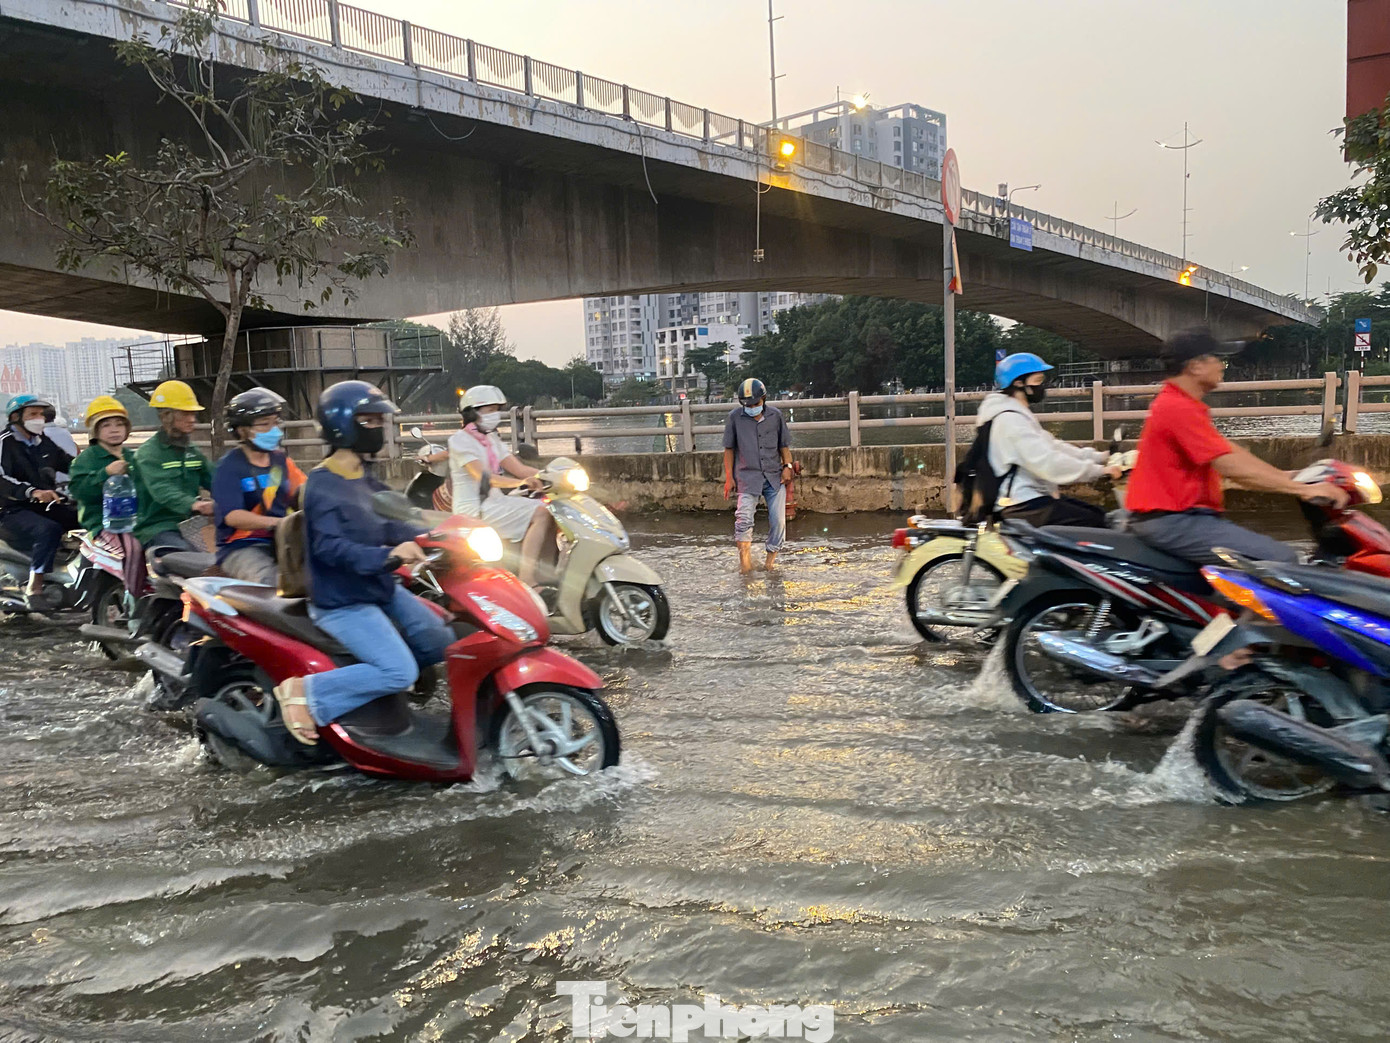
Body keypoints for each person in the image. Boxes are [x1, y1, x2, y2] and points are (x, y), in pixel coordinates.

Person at [271, 380, 453, 746]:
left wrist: (438, 531)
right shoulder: (321, 485)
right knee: (398, 670)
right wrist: (388, 555)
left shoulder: (363, 476)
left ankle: (381, 693)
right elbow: (330, 549)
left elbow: (389, 519)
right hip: (343, 601)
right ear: (344, 426)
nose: (378, 429)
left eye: (378, 421)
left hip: (377, 587)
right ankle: (306, 692)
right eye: (369, 421)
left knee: (441, 638)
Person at [1126, 328, 1349, 565]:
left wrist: (1287, 476)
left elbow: (1230, 453)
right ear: (1195, 366)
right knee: (1281, 560)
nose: (1222, 365)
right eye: (1217, 358)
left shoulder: (1181, 404)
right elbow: (1232, 467)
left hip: (1183, 519)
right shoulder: (1177, 408)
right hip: (1176, 521)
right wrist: (1303, 490)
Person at [975, 353, 1123, 527]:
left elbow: (1052, 445)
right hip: (1020, 503)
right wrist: (1099, 471)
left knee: (1099, 515)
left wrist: (1099, 457)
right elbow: (1048, 462)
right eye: (1038, 381)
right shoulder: (1010, 421)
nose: (1043, 386)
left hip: (1028, 497)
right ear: (1019, 383)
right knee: (1097, 523)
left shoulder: (1015, 414)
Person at [446, 385, 553, 584]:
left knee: (553, 509)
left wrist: (552, 475)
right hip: (473, 510)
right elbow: (483, 477)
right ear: (473, 413)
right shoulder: (459, 441)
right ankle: (529, 579)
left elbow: (519, 468)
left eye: (497, 410)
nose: (496, 415)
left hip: (495, 502)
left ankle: (549, 574)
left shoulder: (491, 439)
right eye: (490, 410)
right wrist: (521, 482)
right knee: (541, 513)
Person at [211, 388, 306, 586]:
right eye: (264, 424)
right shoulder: (229, 467)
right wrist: (276, 523)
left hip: (285, 540)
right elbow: (233, 516)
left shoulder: (281, 461)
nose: (273, 430)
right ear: (241, 430)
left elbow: (305, 491)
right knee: (269, 582)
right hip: (242, 546)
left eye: (275, 423)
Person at [0, 393, 78, 603]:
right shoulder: (5, 443)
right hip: (11, 510)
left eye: (41, 415)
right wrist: (32, 492)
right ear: (16, 417)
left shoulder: (42, 441)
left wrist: (99, 469)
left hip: (46, 504)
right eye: (33, 414)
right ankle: (35, 587)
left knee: (87, 517)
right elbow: (1, 479)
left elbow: (71, 464)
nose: (39, 419)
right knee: (48, 530)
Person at [67, 395, 146, 595]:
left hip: (136, 520)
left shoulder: (133, 457)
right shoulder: (86, 459)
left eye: (119, 424)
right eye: (106, 425)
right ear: (95, 430)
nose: (114, 430)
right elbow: (79, 491)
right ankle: (133, 600)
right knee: (134, 548)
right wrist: (106, 473)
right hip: (103, 524)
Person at [131, 380, 215, 554]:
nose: (192, 419)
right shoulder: (148, 454)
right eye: (185, 414)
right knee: (189, 559)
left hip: (192, 524)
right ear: (167, 416)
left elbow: (215, 480)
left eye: (193, 414)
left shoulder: (192, 451)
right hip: (158, 527)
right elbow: (162, 490)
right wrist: (195, 504)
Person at [722, 378, 793, 574]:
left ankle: (770, 562)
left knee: (778, 521)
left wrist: (787, 466)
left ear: (763, 399)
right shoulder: (735, 418)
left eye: (755, 404)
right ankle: (745, 565)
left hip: (773, 476)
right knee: (743, 518)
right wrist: (729, 478)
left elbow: (784, 446)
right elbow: (729, 449)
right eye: (748, 405)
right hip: (747, 476)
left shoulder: (776, 416)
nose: (752, 408)